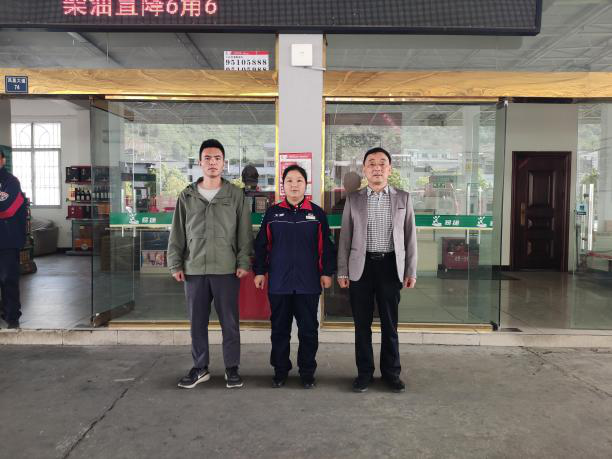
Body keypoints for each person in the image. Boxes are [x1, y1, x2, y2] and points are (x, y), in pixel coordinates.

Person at [168, 139, 253, 390]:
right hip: (194, 269)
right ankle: (200, 368)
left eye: (217, 158)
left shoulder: (235, 195)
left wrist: (243, 261)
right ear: (200, 162)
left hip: (226, 269)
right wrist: (175, 264)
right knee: (197, 323)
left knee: (230, 322)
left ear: (224, 163)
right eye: (207, 158)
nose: (212, 162)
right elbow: (177, 233)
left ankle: (232, 368)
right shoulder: (187, 195)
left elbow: (244, 233)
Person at [337, 147, 417, 393]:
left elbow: (410, 237)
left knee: (389, 324)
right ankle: (364, 374)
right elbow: (345, 237)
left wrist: (411, 270)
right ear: (364, 170)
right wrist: (342, 271)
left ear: (389, 169)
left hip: (391, 267)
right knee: (362, 325)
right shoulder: (354, 199)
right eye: (371, 163)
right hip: (361, 267)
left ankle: (391, 373)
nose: (377, 167)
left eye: (382, 163)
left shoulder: (403, 198)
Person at [253, 165, 336, 389]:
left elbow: (326, 246)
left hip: (308, 283)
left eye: (299, 180)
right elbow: (261, 245)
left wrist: (326, 272)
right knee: (280, 330)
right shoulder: (272, 213)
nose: (294, 185)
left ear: (305, 184)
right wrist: (259, 271)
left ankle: (307, 372)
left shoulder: (317, 214)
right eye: (289, 181)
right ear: (283, 185)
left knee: (308, 330)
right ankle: (280, 371)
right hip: (279, 283)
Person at [0, 150, 26, 329]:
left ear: (2, 160)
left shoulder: (11, 182)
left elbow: (8, 209)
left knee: (8, 279)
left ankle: (12, 317)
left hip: (7, 240)